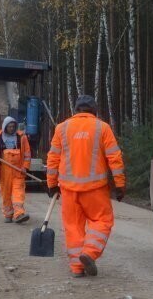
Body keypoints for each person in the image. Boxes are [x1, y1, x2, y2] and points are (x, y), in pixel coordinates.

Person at [46, 95, 125, 278]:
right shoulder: (102, 127)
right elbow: (115, 158)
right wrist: (120, 184)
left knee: (73, 227)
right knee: (102, 221)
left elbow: (53, 158)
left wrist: (51, 184)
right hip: (95, 190)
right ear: (94, 110)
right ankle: (89, 253)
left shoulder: (62, 128)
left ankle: (76, 267)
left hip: (68, 190)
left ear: (76, 109)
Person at [0, 116, 32, 223]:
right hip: (3, 171)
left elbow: (27, 154)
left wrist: (25, 166)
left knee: (18, 192)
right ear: (5, 127)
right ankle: (8, 214)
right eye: (9, 126)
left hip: (18, 170)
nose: (11, 128)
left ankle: (19, 214)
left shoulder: (22, 137)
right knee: (6, 194)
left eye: (13, 126)